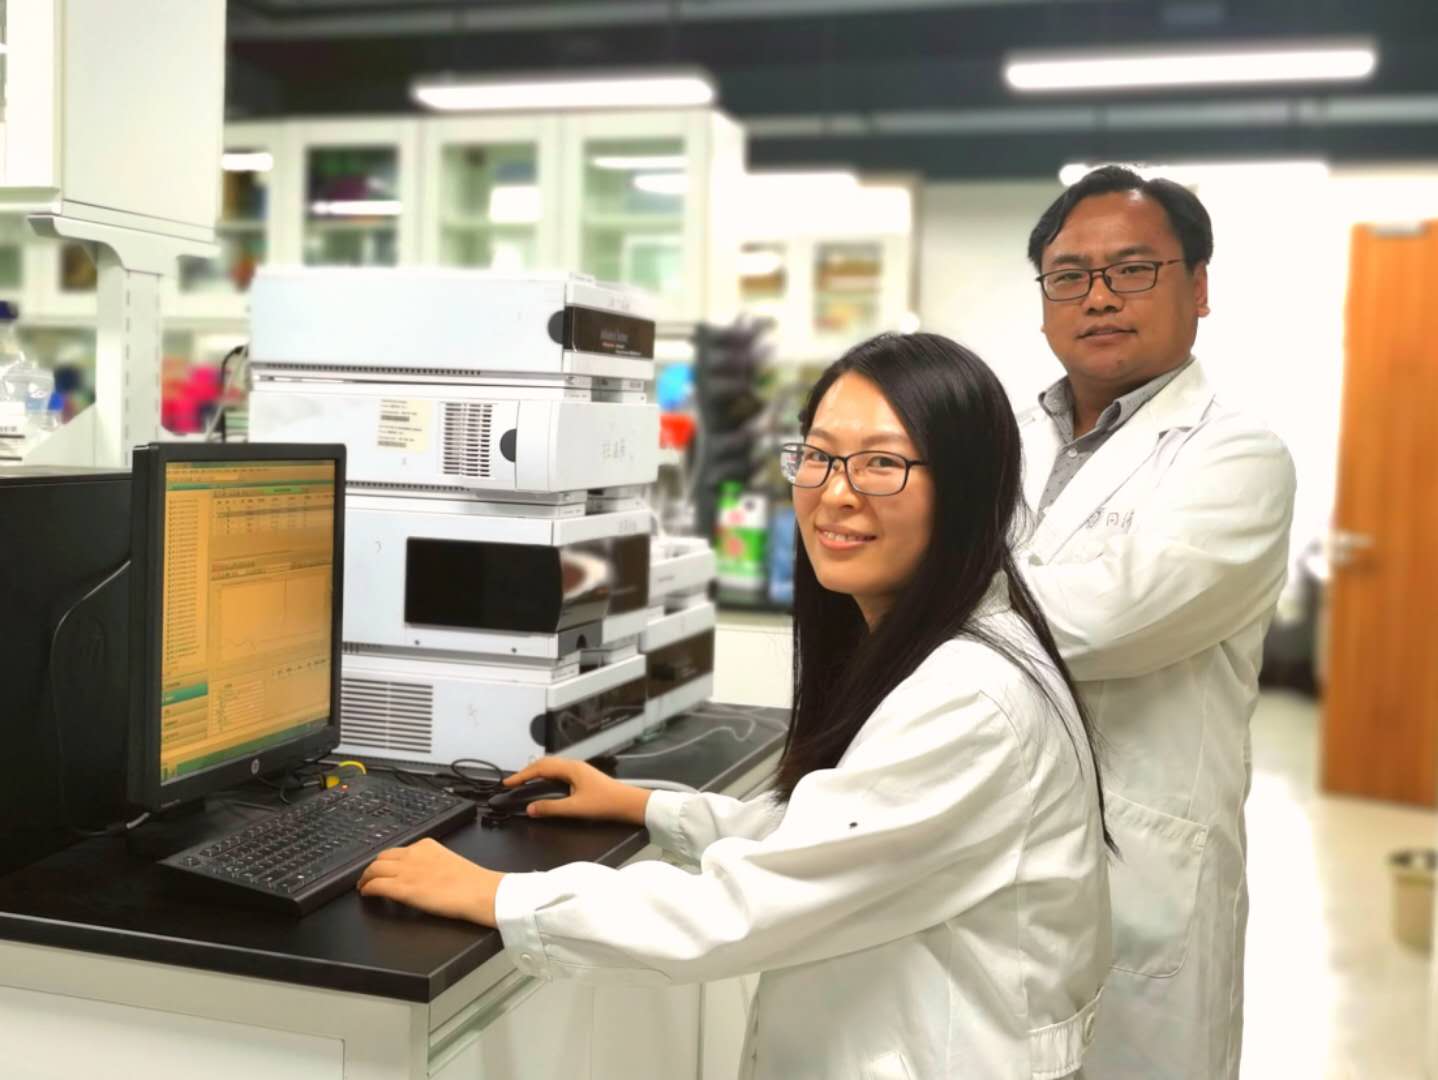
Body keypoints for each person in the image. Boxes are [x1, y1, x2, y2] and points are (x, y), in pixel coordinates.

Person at [359, 332, 1112, 1079]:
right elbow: (837, 832)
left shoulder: (969, 699)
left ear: (967, 487)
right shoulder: (943, 646)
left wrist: (502, 895)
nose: (836, 491)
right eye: (818, 456)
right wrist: (648, 808)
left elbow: (745, 906)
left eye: (882, 463)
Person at [1017, 165, 1297, 1080]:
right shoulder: (997, 438)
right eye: (1070, 275)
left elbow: (1104, 622)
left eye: (1133, 270)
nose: (1098, 297)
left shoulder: (1238, 456)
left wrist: (924, 597)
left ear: (1199, 287)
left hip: (1143, 866)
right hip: (987, 846)